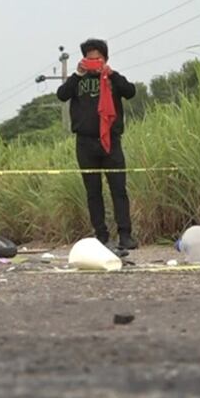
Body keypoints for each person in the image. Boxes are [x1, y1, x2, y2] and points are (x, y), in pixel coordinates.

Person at [56, 38, 138, 250]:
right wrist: (78, 74)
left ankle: (125, 235)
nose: (94, 63)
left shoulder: (113, 78)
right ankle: (101, 235)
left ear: (106, 59)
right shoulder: (78, 80)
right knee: (93, 191)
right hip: (85, 142)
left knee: (119, 189)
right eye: (89, 59)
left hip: (111, 140)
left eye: (98, 59)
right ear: (83, 60)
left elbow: (130, 91)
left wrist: (112, 74)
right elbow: (62, 95)